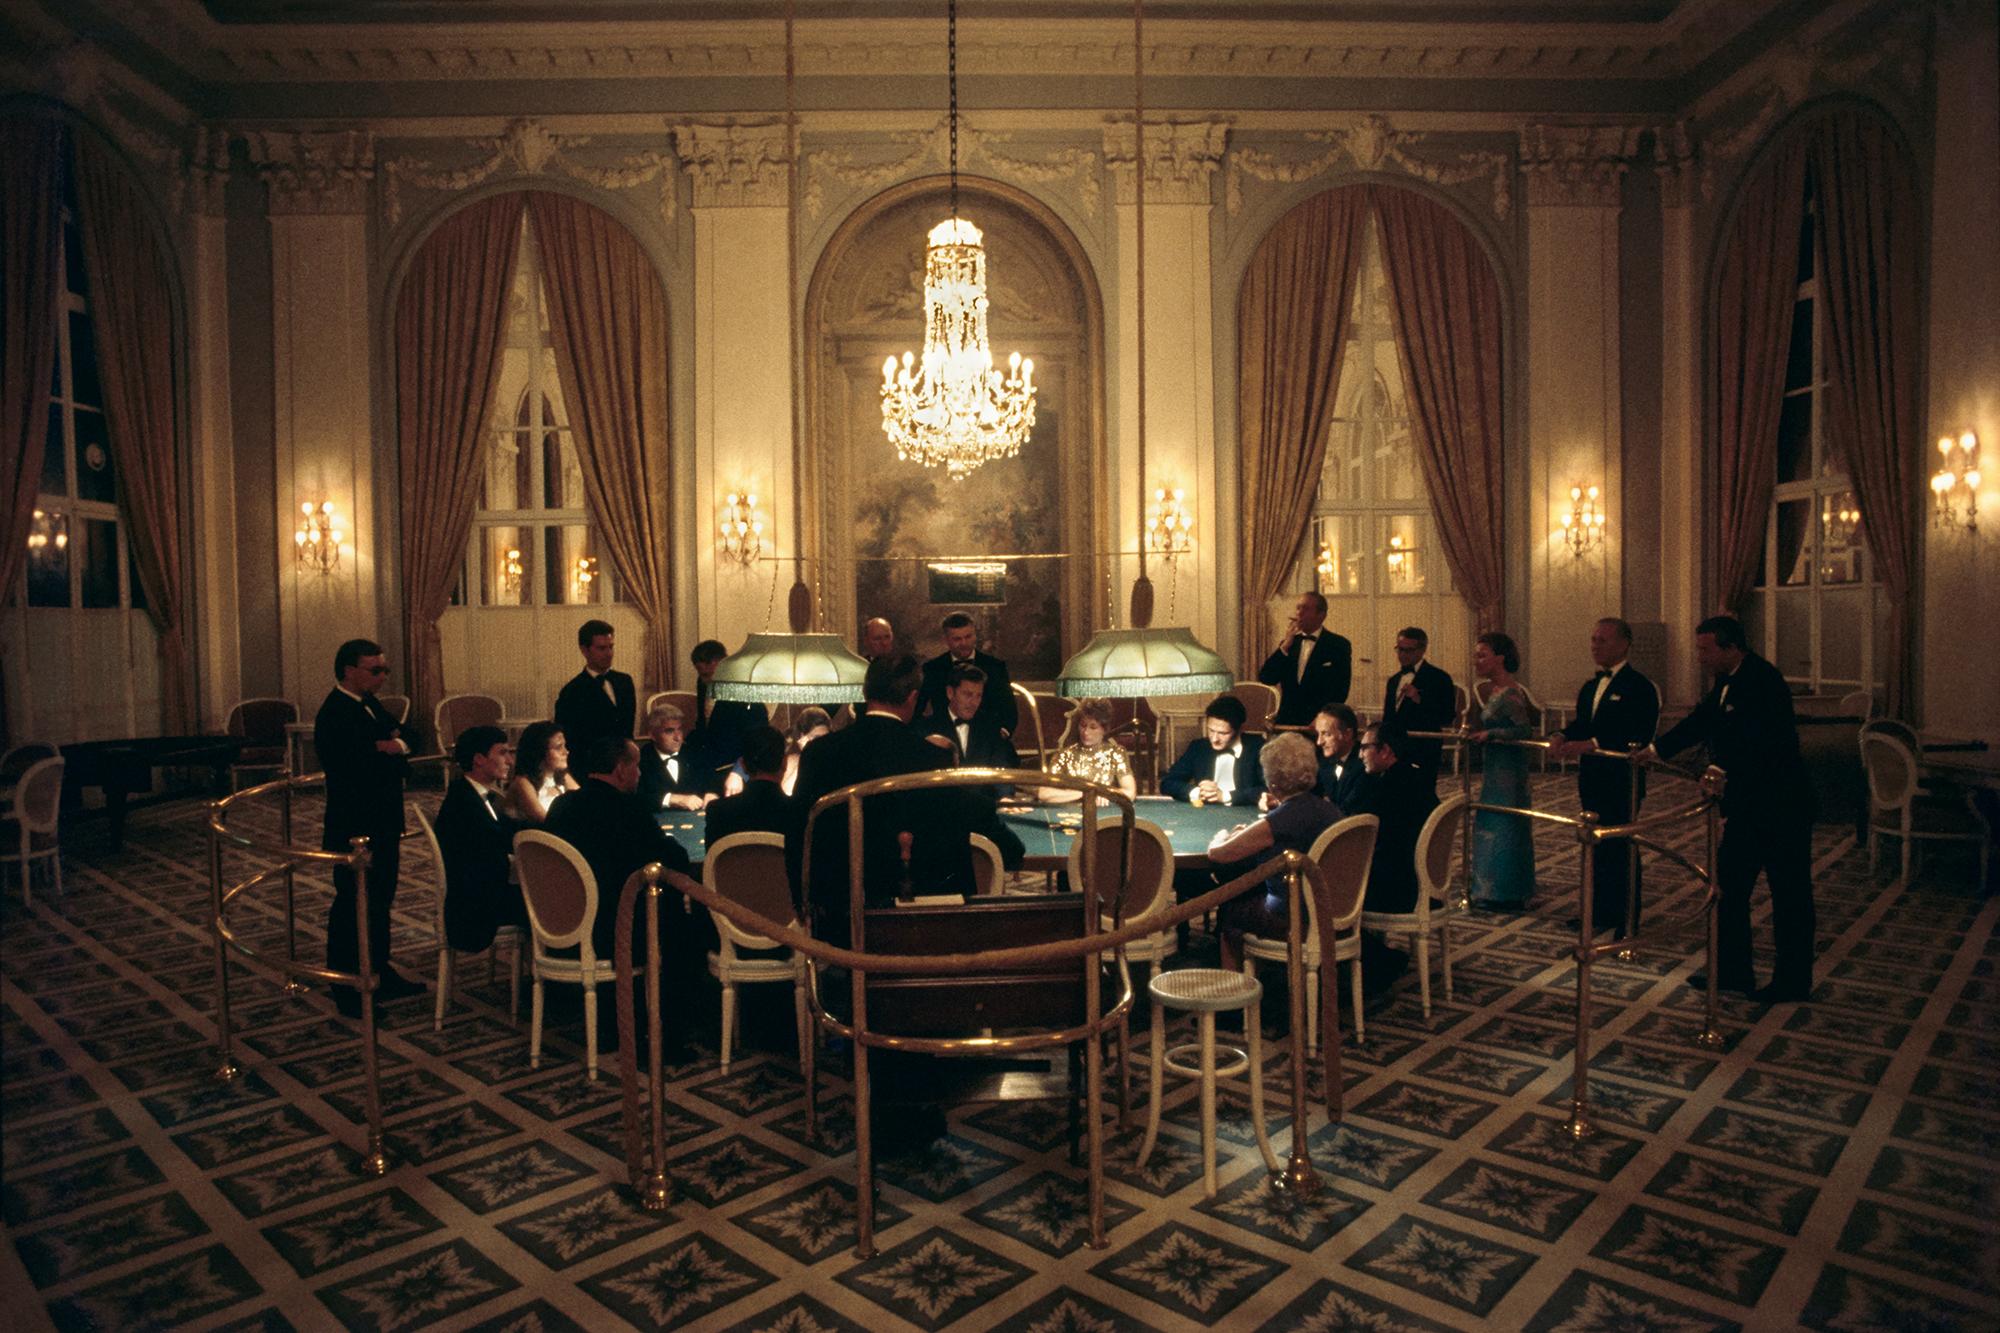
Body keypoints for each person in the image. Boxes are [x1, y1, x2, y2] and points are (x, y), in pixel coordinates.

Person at [1641, 614, 1816, 1003]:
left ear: (1731, 647)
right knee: (1728, 889)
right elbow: (1702, 721)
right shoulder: (1725, 680)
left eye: (1705, 649)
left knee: (1789, 895)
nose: (1700, 657)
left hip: (1781, 806)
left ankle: (1793, 980)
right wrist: (1655, 749)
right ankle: (1734, 971)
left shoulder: (1764, 681)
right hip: (1745, 807)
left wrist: (1723, 770)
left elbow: (1766, 744)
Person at [791, 653, 980, 945]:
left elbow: (798, 833)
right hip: (909, 920)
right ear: (913, 698)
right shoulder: (932, 758)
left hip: (834, 914)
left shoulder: (819, 753)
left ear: (865, 692)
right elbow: (951, 845)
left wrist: (801, 902)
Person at [541, 736, 698, 1057]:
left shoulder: (562, 806)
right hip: (618, 930)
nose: (639, 773)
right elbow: (675, 858)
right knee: (681, 920)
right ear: (621, 769)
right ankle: (670, 1036)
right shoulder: (629, 809)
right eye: (636, 766)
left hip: (564, 923)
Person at [316, 638, 418, 1017]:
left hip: (384, 820)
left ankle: (379, 968)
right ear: (349, 671)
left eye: (384, 669)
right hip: (354, 825)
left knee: (380, 899)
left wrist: (393, 747)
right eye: (375, 670)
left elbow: (412, 737)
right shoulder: (335, 712)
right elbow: (357, 768)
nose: (383, 676)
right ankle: (347, 985)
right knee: (352, 904)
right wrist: (387, 750)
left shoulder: (370, 704)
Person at [1551, 617, 1661, 937]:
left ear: (1624, 644)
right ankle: (1599, 911)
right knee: (1596, 847)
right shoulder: (1590, 687)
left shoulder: (1640, 687)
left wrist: (1593, 743)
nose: (1595, 646)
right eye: (1593, 640)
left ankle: (1627, 920)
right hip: (1592, 778)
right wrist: (1561, 735)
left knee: (1621, 847)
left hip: (1622, 780)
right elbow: (1583, 724)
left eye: (1603, 640)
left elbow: (1637, 732)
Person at [1210, 733, 1341, 972]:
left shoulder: (1280, 819)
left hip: (1293, 916)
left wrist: (1222, 836)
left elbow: (1219, 854)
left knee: (1230, 911)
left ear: (1272, 783)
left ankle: (1235, 989)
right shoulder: (1331, 811)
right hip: (1335, 910)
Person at [1348, 726, 1439, 989]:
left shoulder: (1387, 788)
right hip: (1426, 884)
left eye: (1365, 748)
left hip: (1400, 891)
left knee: (1335, 897)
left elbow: (1367, 836)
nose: (1360, 755)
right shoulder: (1417, 778)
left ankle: (1377, 963)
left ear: (1385, 751)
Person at [435, 725, 527, 954]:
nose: (510, 761)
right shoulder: (464, 804)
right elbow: (500, 843)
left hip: (484, 892)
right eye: (502, 753)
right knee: (549, 901)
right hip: (476, 905)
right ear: (479, 759)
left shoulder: (472, 794)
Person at [1467, 632, 1537, 912]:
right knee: (1492, 825)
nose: (1476, 661)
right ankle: (1492, 889)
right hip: (1495, 768)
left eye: (1482, 655)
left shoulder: (1510, 692)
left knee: (1505, 827)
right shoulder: (1495, 691)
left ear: (1500, 658)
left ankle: (1508, 892)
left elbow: (1525, 730)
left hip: (1509, 772)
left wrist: (1492, 734)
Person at [1257, 590, 1353, 729]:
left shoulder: (1338, 645)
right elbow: (1267, 677)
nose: (1299, 613)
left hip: (1318, 723)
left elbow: (1341, 690)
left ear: (1321, 615)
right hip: (1287, 721)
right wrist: (1284, 647)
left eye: (1306, 609)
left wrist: (1323, 718)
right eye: (1298, 607)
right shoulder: (1289, 644)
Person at [917, 611, 1018, 736]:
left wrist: (1001, 736)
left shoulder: (995, 667)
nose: (964, 643)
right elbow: (918, 709)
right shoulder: (933, 668)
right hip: (944, 737)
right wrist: (926, 736)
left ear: (975, 635)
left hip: (986, 737)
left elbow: (1009, 711)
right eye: (957, 639)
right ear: (946, 640)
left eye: (968, 637)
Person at [1380, 626, 1457, 789]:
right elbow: (1388, 716)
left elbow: (1447, 715)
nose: (1402, 655)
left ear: (1422, 650)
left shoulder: (1439, 678)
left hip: (1424, 748)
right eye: (1400, 649)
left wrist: (1419, 699)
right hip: (1396, 747)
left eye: (1408, 650)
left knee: (1422, 793)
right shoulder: (1393, 680)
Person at [553, 619, 636, 764]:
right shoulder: (572, 692)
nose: (609, 653)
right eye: (602, 648)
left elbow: (628, 728)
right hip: (592, 767)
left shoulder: (625, 682)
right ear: (584, 650)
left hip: (624, 764)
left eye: (611, 647)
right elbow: (571, 741)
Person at [706, 725, 803, 849]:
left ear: (743, 765)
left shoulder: (717, 811)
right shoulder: (798, 813)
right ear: (785, 763)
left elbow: (712, 860)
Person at [1160, 695, 1266, 808]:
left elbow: (1269, 788)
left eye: (1223, 733)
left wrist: (1225, 796)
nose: (1214, 739)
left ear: (1239, 729)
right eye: (1211, 730)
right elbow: (1167, 782)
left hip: (1245, 814)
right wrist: (1197, 792)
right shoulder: (1199, 747)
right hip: (1205, 813)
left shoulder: (1258, 747)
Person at [688, 638, 768, 771]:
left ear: (724, 664)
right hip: (709, 754)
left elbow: (756, 734)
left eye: (710, 674)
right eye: (703, 675)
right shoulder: (702, 682)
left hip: (736, 759)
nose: (707, 680)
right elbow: (703, 721)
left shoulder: (744, 687)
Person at [1041, 697, 1138, 802]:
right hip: (1071, 810)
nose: (1086, 732)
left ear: (1104, 729)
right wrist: (1087, 794)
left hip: (1105, 810)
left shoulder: (1116, 753)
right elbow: (1044, 793)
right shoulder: (1063, 756)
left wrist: (1107, 795)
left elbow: (1130, 792)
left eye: (1093, 727)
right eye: (1083, 725)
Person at [636, 704, 717, 811]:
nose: (678, 737)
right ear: (652, 735)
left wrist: (712, 793)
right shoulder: (640, 759)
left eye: (679, 729)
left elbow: (712, 781)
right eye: (669, 731)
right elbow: (636, 796)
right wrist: (670, 799)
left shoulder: (694, 753)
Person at [506, 721, 577, 823]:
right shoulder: (522, 783)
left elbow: (584, 803)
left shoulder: (563, 777)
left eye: (564, 746)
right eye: (558, 747)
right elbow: (545, 821)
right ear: (540, 751)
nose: (566, 752)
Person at [1312, 703, 1366, 811]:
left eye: (1326, 734)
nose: (1319, 742)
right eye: (1318, 734)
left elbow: (1347, 810)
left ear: (1347, 734)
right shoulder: (1322, 761)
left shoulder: (1365, 764)